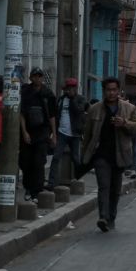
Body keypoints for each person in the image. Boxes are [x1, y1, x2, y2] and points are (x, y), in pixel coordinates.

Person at [80, 77, 136, 232]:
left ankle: (112, 216)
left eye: (114, 90)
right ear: (104, 91)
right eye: (108, 90)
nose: (111, 93)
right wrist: (84, 155)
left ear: (118, 91)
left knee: (115, 189)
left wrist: (124, 123)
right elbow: (87, 135)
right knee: (103, 186)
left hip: (120, 155)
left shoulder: (129, 108)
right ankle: (103, 217)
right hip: (101, 155)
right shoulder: (94, 109)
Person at [19, 67, 56, 203]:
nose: (37, 78)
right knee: (25, 161)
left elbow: (52, 116)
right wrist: (24, 132)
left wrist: (54, 135)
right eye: (35, 76)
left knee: (39, 162)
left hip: (42, 133)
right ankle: (28, 188)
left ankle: (37, 191)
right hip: (28, 132)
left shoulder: (48, 94)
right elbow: (21, 114)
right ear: (30, 78)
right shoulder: (25, 92)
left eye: (40, 76)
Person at [47, 78, 87, 190]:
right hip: (62, 133)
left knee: (76, 158)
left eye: (71, 89)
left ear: (75, 88)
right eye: (67, 89)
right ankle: (51, 183)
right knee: (56, 157)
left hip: (75, 134)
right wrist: (53, 133)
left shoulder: (80, 99)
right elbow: (56, 116)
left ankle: (78, 180)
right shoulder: (61, 99)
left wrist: (73, 98)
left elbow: (78, 111)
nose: (69, 91)